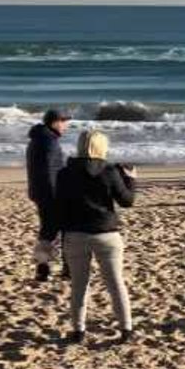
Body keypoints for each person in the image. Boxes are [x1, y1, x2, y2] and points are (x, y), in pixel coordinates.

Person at [54, 129, 136, 345]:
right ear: (101, 147)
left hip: (76, 234)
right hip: (106, 234)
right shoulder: (109, 172)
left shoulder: (65, 173)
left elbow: (60, 207)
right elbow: (127, 201)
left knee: (79, 285)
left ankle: (78, 331)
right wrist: (131, 180)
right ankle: (126, 329)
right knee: (116, 284)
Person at [26, 108, 71, 282]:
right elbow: (49, 172)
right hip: (51, 194)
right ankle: (66, 268)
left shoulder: (39, 138)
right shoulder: (48, 142)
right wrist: (59, 196)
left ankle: (43, 269)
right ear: (56, 122)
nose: (66, 125)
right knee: (64, 231)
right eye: (64, 121)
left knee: (48, 232)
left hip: (40, 192)